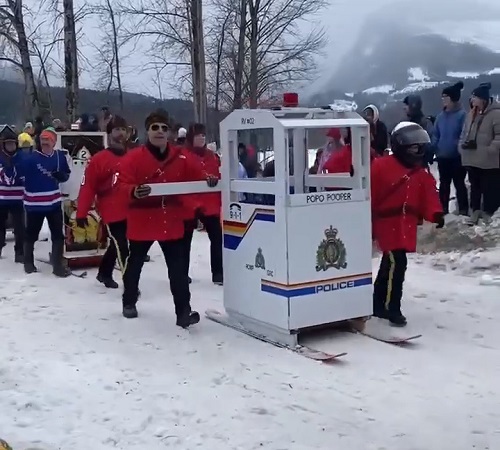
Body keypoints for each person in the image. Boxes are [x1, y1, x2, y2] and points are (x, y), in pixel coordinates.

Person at [116, 110, 218, 326]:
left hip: (169, 219)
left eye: (164, 128)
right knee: (135, 264)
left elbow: (197, 173)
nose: (160, 132)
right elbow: (121, 184)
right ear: (148, 131)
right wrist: (133, 191)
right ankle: (129, 300)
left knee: (178, 269)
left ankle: (183, 312)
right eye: (155, 128)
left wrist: (207, 179)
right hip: (143, 219)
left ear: (170, 132)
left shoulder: (181, 156)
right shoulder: (133, 158)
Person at [371, 122, 444, 326]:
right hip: (387, 224)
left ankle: (377, 301)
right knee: (398, 263)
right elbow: (370, 194)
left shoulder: (421, 173)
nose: (418, 151)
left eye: (421, 147)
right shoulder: (381, 166)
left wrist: (436, 214)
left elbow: (429, 196)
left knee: (390, 263)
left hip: (405, 225)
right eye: (414, 147)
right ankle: (391, 307)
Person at [76, 116, 131, 288]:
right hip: (111, 209)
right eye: (117, 130)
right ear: (109, 134)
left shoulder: (133, 156)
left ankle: (104, 273)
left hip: (131, 208)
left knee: (118, 244)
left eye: (123, 129)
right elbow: (88, 186)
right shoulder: (99, 159)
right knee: (122, 245)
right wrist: (81, 213)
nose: (120, 133)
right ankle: (130, 284)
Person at [20, 127, 71, 276]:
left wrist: (62, 176)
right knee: (31, 234)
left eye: (47, 140)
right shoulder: (30, 159)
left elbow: (66, 174)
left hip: (54, 202)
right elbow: (20, 177)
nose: (44, 142)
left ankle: (58, 266)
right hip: (34, 204)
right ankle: (28, 262)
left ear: (54, 142)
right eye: (42, 140)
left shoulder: (59, 157)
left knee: (57, 235)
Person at [182, 123, 223, 285]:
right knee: (185, 240)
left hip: (209, 203)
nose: (202, 138)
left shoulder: (212, 156)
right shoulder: (183, 155)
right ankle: (182, 273)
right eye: (198, 135)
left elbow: (219, 173)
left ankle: (218, 273)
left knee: (217, 238)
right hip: (189, 202)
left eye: (203, 135)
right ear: (191, 138)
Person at [459, 82, 500, 224]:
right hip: (473, 159)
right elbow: (464, 133)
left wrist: (490, 149)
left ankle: (490, 216)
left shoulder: (496, 114)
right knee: (475, 188)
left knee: (490, 190)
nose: (472, 100)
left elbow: (499, 136)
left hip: (490, 162)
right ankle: (475, 213)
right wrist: (461, 146)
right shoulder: (471, 115)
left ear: (483, 99)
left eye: (475, 97)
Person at [432, 81, 469, 215]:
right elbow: (436, 134)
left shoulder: (462, 115)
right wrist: (434, 147)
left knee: (459, 184)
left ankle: (463, 210)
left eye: (445, 98)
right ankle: (442, 209)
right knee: (444, 185)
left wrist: (457, 147)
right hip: (443, 156)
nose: (443, 100)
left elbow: (464, 134)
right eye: (442, 98)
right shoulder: (441, 117)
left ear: (453, 98)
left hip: (457, 157)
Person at [0, 126, 25, 262]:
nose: (10, 146)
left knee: (19, 226)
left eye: (12, 143)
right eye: (8, 144)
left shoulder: (22, 158)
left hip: (18, 197)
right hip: (1, 197)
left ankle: (20, 252)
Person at [403, 95, 435, 166]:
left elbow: (430, 143)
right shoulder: (408, 123)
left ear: (413, 106)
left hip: (421, 162)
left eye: (407, 105)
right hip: (409, 162)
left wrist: (423, 154)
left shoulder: (425, 123)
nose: (404, 108)